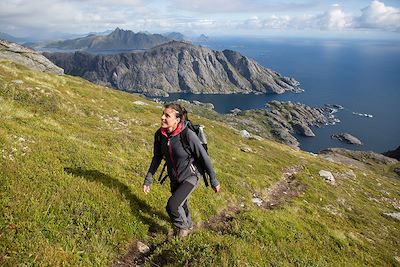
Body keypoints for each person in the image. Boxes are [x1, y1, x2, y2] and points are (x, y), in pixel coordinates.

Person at [143, 102, 220, 237]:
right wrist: (148, 179)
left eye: (167, 115)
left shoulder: (188, 135)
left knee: (172, 205)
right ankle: (189, 225)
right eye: (162, 114)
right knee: (181, 204)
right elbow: (157, 157)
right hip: (174, 177)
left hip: (191, 176)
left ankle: (183, 232)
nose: (162, 117)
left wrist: (214, 180)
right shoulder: (160, 135)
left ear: (177, 120)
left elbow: (204, 158)